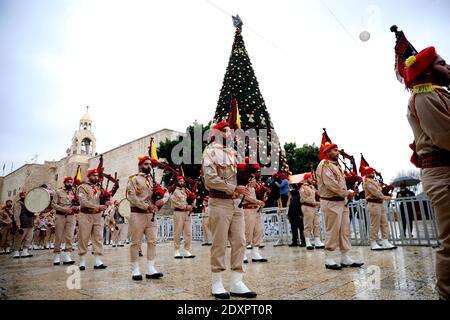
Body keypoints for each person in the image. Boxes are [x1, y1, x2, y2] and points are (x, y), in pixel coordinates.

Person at [402, 45, 450, 300]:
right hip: (443, 171)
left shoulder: (438, 93)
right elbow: (444, 134)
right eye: (442, 63)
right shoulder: (424, 95)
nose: (448, 66)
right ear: (428, 71)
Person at [202, 121, 256, 299]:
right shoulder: (210, 152)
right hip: (219, 202)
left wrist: (247, 182)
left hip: (236, 203)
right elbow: (210, 180)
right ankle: (216, 282)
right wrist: (234, 188)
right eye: (225, 131)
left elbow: (238, 179)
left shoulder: (233, 154)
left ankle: (236, 282)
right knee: (219, 242)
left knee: (240, 241)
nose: (230, 134)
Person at [316, 142, 364, 270]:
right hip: (331, 202)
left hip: (341, 201)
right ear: (327, 152)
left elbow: (340, 184)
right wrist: (346, 193)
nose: (338, 152)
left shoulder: (337, 166)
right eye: (335, 150)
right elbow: (330, 184)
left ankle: (345, 257)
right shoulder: (325, 165)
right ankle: (329, 257)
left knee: (344, 230)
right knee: (333, 230)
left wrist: (350, 189)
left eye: (337, 150)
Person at [127, 156, 169, 281]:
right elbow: (132, 197)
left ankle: (151, 269)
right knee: (135, 242)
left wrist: (162, 200)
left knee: (152, 241)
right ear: (140, 165)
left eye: (150, 164)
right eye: (146, 164)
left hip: (151, 216)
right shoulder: (133, 179)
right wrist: (146, 206)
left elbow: (165, 192)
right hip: (137, 214)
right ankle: (135, 269)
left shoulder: (152, 180)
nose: (149, 166)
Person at [77, 169, 109, 270]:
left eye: (97, 176)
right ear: (89, 176)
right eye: (94, 175)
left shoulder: (99, 188)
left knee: (98, 237)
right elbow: (83, 202)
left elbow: (105, 198)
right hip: (85, 214)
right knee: (83, 237)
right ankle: (82, 261)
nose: (96, 177)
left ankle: (97, 261)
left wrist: (108, 201)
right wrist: (98, 207)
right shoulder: (82, 187)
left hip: (97, 216)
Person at [362, 167, 397, 250]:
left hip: (379, 204)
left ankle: (385, 241)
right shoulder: (367, 182)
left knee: (384, 223)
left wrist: (387, 191)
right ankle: (373, 242)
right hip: (373, 204)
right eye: (371, 172)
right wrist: (385, 197)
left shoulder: (375, 182)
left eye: (373, 172)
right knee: (375, 224)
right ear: (367, 174)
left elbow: (379, 191)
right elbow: (375, 192)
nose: (373, 173)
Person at [51, 176, 78, 265]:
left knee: (70, 236)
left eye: (71, 182)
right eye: (68, 182)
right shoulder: (58, 192)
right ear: (64, 182)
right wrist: (64, 209)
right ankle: (56, 255)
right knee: (58, 236)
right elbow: (53, 204)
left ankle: (67, 255)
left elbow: (79, 203)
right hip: (60, 215)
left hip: (71, 216)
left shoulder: (74, 192)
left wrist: (76, 207)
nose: (70, 184)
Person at [242, 178, 267, 263]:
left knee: (258, 231)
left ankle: (255, 253)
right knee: (247, 231)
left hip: (255, 211)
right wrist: (258, 201)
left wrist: (261, 202)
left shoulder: (253, 189)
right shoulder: (243, 187)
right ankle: (243, 254)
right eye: (253, 180)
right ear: (249, 180)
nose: (255, 181)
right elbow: (247, 198)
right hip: (247, 211)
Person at [170, 176, 195, 259]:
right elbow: (174, 202)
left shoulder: (186, 190)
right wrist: (184, 206)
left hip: (187, 213)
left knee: (188, 232)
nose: (182, 182)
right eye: (180, 181)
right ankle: (176, 250)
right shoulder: (174, 191)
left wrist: (192, 205)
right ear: (177, 182)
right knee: (177, 231)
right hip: (178, 212)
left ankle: (187, 250)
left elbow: (193, 197)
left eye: (183, 181)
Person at [300, 173, 324, 250]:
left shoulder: (312, 187)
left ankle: (317, 240)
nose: (312, 179)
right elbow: (305, 199)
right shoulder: (303, 188)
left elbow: (318, 194)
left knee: (316, 224)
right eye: (310, 178)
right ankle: (308, 241)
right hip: (307, 207)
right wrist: (316, 203)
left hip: (314, 207)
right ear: (307, 179)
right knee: (308, 224)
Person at [12, 191, 34, 258]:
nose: (24, 196)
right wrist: (18, 224)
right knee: (19, 238)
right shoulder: (18, 204)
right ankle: (16, 251)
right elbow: (16, 215)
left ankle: (25, 251)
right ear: (21, 196)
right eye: (23, 195)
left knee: (28, 238)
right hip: (22, 224)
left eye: (25, 195)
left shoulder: (30, 204)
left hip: (30, 224)